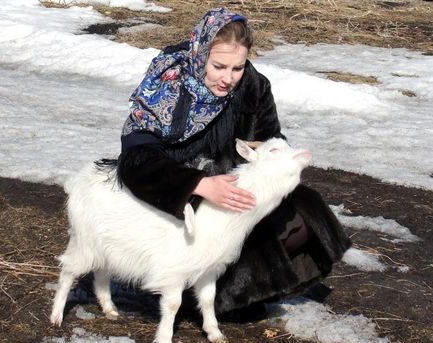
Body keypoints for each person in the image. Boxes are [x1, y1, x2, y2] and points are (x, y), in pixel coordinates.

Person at [102, 8, 351, 316]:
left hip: (231, 181)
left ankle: (246, 288)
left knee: (299, 206)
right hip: (174, 191)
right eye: (219, 66)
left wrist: (272, 155)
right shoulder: (168, 83)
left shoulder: (253, 87)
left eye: (237, 67)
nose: (228, 78)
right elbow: (136, 159)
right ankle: (186, 284)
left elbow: (270, 135)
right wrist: (198, 184)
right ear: (200, 54)